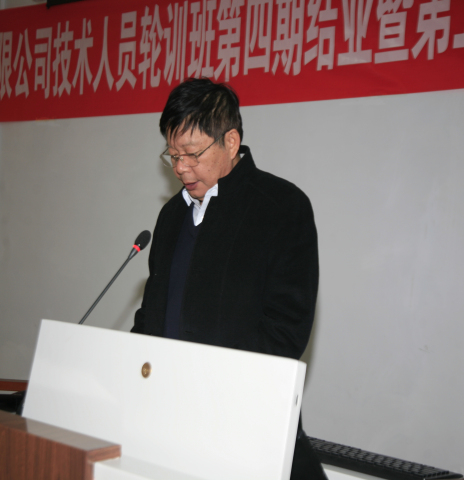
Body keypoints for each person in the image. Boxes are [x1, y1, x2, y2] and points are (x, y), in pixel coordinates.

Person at [132, 77, 326, 480]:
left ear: (231, 142)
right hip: (168, 421)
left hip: (245, 425)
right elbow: (151, 316)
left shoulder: (281, 207)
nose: (180, 168)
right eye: (172, 155)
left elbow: (285, 332)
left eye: (192, 154)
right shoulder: (172, 216)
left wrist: (209, 388)